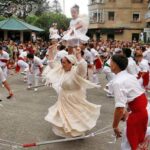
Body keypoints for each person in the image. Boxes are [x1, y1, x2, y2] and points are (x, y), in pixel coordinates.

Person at [44, 46, 101, 138]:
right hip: (63, 96)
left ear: (71, 63)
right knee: (65, 115)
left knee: (76, 115)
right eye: (62, 62)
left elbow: (82, 66)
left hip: (75, 97)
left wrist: (78, 54)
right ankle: (68, 132)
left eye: (65, 63)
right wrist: (50, 51)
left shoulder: (76, 72)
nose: (62, 64)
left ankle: (79, 131)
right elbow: (51, 64)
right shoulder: (61, 70)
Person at [110, 55, 150, 150]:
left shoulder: (118, 82)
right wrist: (127, 111)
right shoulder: (129, 76)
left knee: (129, 143)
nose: (109, 64)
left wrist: (115, 126)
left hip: (139, 113)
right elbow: (134, 95)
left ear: (115, 65)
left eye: (110, 62)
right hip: (145, 108)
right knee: (133, 139)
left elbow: (119, 108)